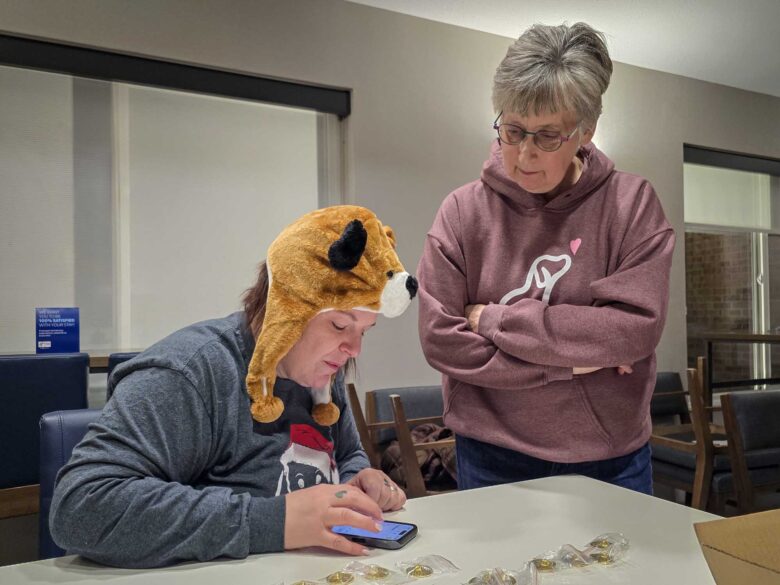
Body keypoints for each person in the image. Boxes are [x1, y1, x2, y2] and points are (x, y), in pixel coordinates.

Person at [50, 205, 417, 568]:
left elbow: (347, 452)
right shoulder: (190, 373)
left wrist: (357, 480)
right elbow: (82, 506)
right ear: (286, 309)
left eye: (364, 331)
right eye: (339, 326)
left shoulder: (322, 370)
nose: (354, 349)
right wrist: (277, 521)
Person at [417, 23, 674, 494]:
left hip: (611, 457)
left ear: (586, 131)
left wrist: (493, 321)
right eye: (512, 130)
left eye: (547, 136)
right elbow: (441, 341)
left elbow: (634, 330)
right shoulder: (461, 211)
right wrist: (571, 362)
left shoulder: (632, 203)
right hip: (490, 454)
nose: (523, 155)